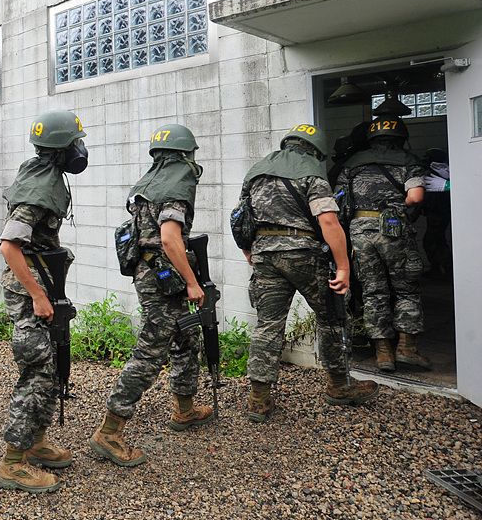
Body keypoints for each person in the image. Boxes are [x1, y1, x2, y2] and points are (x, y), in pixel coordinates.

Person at [238, 125, 378, 422]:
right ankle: (339, 386)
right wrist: (343, 266)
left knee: (268, 325)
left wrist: (250, 250)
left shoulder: (257, 171)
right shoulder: (311, 171)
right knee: (333, 316)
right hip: (304, 255)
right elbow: (328, 221)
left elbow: (240, 218)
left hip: (264, 255)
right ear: (314, 150)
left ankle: (258, 399)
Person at [90, 124, 210, 469]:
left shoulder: (148, 181)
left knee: (186, 338)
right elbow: (170, 238)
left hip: (152, 271)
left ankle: (184, 410)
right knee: (150, 353)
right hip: (165, 277)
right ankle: (109, 431)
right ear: (186, 154)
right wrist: (192, 282)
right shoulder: (178, 182)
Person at [0, 110, 86, 494]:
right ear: (62, 150)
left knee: (49, 368)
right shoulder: (38, 189)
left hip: (44, 285)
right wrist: (37, 295)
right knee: (37, 368)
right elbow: (9, 245)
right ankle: (13, 462)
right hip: (31, 291)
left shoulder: (42, 173)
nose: (81, 150)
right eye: (75, 143)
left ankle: (36, 442)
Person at [334, 116, 429, 371]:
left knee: (373, 292)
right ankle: (407, 348)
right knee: (406, 288)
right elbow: (415, 196)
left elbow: (339, 201)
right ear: (401, 137)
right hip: (393, 230)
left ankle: (383, 353)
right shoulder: (409, 160)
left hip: (359, 231)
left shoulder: (352, 162)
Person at [420, 148, 451, 280]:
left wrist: (449, 184)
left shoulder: (441, 174)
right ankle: (439, 269)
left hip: (439, 213)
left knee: (435, 241)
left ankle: (446, 270)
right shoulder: (434, 174)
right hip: (434, 212)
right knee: (433, 241)